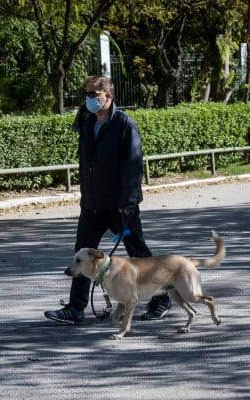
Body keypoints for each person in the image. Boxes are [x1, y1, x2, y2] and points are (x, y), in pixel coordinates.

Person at [44, 75, 171, 324]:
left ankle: (162, 298)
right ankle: (76, 308)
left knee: (140, 254)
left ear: (108, 96)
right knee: (81, 255)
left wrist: (128, 203)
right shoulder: (86, 122)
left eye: (94, 95)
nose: (89, 99)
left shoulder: (124, 124)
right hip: (92, 206)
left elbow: (133, 167)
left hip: (120, 206)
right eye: (87, 94)